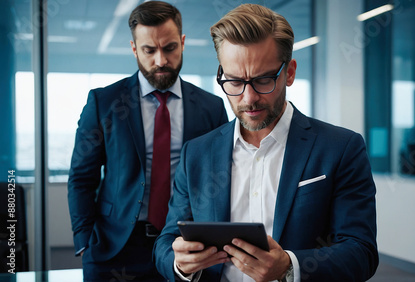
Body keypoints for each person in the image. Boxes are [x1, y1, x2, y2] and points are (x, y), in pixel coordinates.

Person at [153, 3, 378, 282]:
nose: (248, 98)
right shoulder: (196, 153)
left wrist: (290, 266)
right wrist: (180, 263)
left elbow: (361, 252)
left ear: (290, 72)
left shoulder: (342, 148)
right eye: (234, 81)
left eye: (263, 80)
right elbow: (166, 243)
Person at [67, 1, 228, 281]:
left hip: (187, 246)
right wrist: (84, 240)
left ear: (182, 42)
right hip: (115, 247)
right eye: (149, 50)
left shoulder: (210, 107)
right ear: (134, 49)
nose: (161, 61)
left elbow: (224, 176)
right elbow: (82, 178)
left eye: (169, 48)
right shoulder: (104, 103)